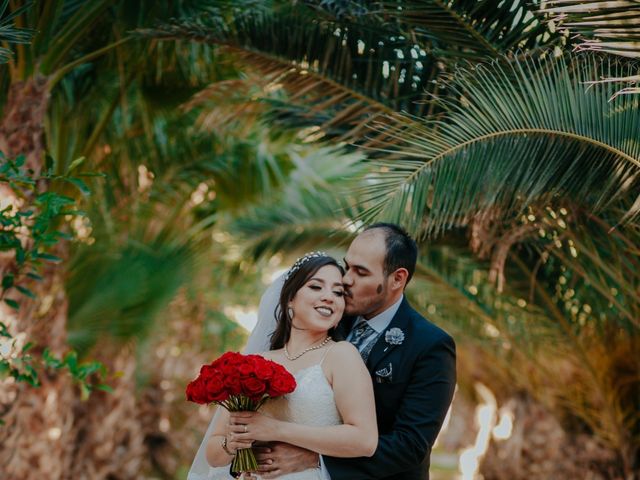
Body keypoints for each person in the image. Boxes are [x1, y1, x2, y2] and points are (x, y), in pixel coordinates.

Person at [249, 223, 456, 480]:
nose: (346, 280)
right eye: (347, 266)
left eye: (361, 272)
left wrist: (315, 459)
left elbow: (410, 444)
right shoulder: (326, 318)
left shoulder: (430, 345)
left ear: (397, 279)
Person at [200, 253, 378, 479]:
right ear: (290, 299)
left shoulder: (341, 355)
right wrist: (233, 441)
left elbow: (364, 440)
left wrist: (276, 429)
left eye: (338, 292)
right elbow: (213, 454)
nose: (329, 297)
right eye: (316, 287)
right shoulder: (254, 363)